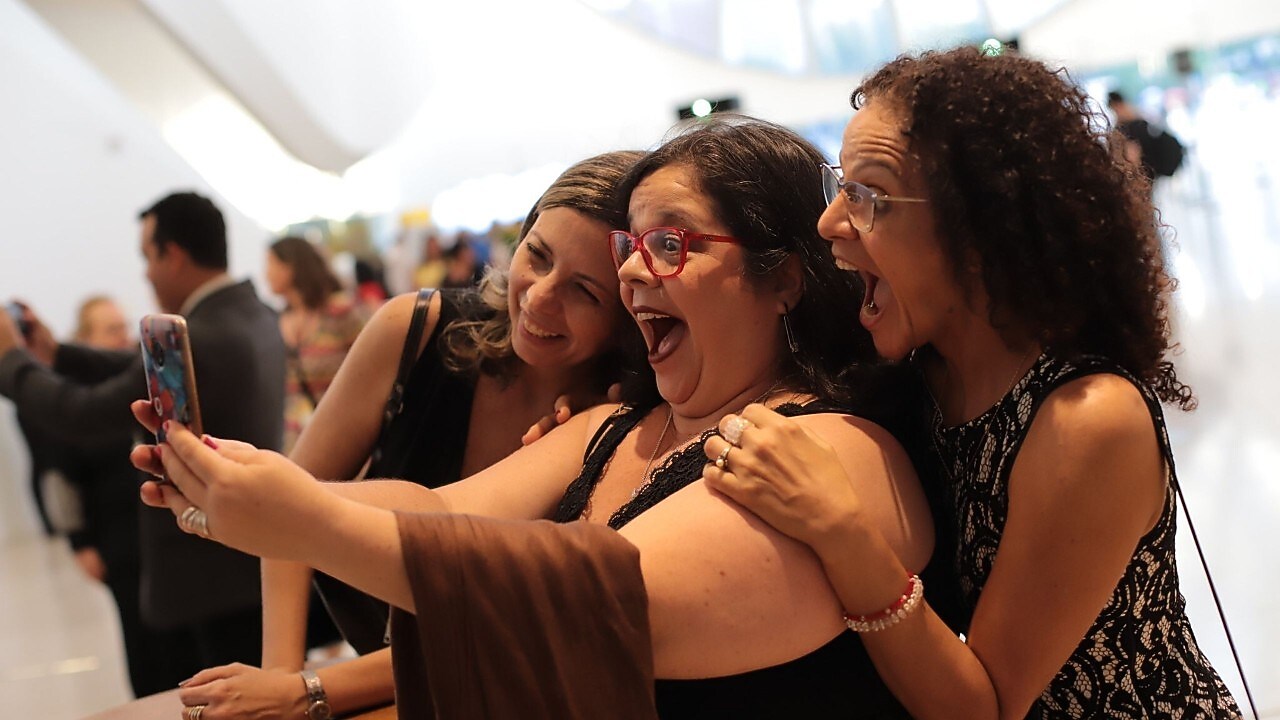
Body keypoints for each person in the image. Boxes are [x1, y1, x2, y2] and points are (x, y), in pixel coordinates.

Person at [134, 118, 935, 719]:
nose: (632, 269)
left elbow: (595, 602)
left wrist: (300, 518)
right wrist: (242, 483)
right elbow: (439, 512)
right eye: (630, 245)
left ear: (784, 278)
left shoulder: (831, 448)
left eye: (667, 242)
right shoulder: (615, 424)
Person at [701, 48, 1242, 719]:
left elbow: (985, 707)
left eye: (868, 197)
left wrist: (836, 527)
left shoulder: (1086, 416)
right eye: (840, 187)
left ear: (981, 230)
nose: (831, 223)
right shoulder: (921, 373)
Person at [166, 151, 653, 719]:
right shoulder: (415, 328)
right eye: (537, 256)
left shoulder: (626, 423)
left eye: (585, 291)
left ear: (629, 314)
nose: (540, 296)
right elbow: (294, 506)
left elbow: (493, 619)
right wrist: (279, 673)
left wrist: (309, 690)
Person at [0, 191, 286, 691]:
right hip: (243, 563)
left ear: (172, 255)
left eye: (147, 258)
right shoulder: (250, 314)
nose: (146, 274)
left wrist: (11, 360)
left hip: (210, 575)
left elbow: (82, 414)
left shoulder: (201, 337)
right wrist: (58, 354)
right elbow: (141, 373)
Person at [264, 236, 369, 454]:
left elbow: (372, 366)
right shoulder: (276, 319)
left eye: (272, 264)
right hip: (295, 443)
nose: (266, 273)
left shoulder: (340, 311)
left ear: (291, 267)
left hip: (341, 439)